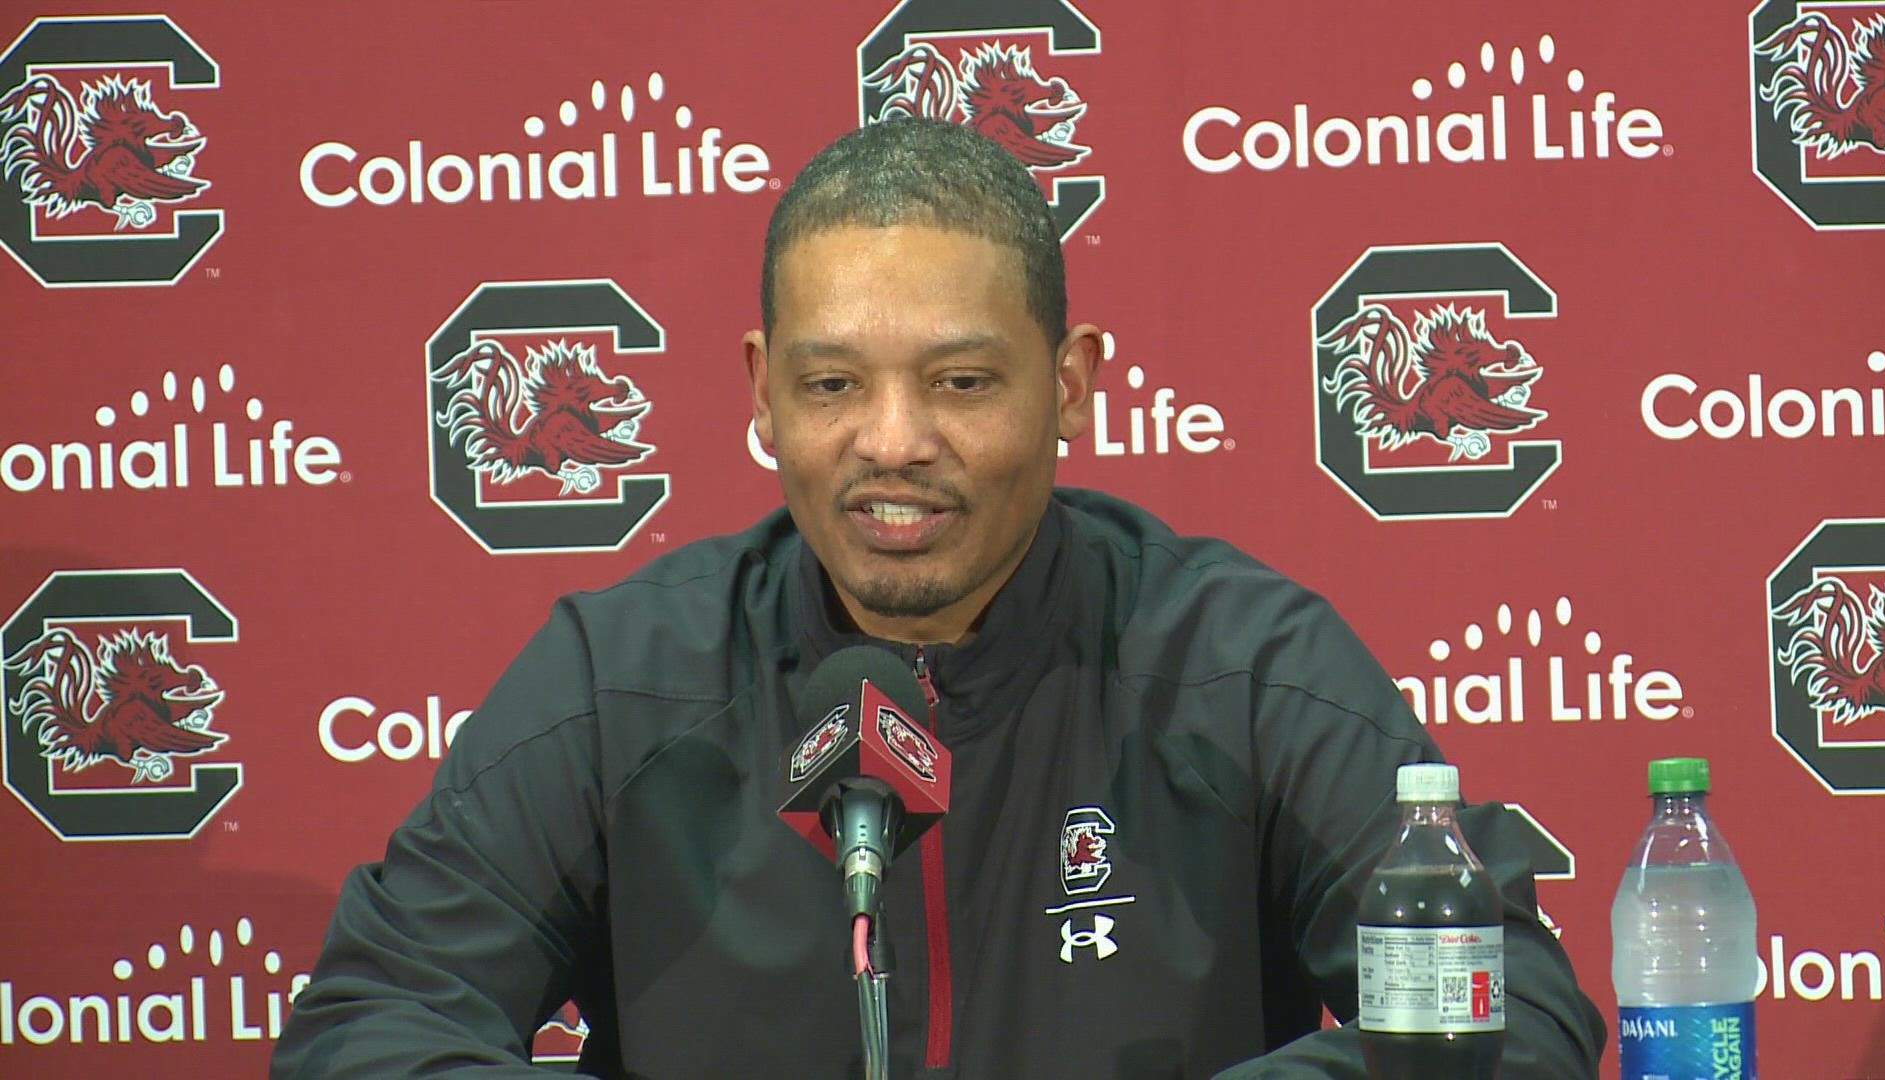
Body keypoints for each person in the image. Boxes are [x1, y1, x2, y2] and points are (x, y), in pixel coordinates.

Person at [273, 118, 1605, 1078]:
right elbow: (371, 1026)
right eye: (833, 384)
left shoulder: (1237, 661)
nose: (894, 442)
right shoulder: (624, 678)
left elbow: (1519, 1004)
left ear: (1072, 382)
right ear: (760, 389)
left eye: (962, 384)